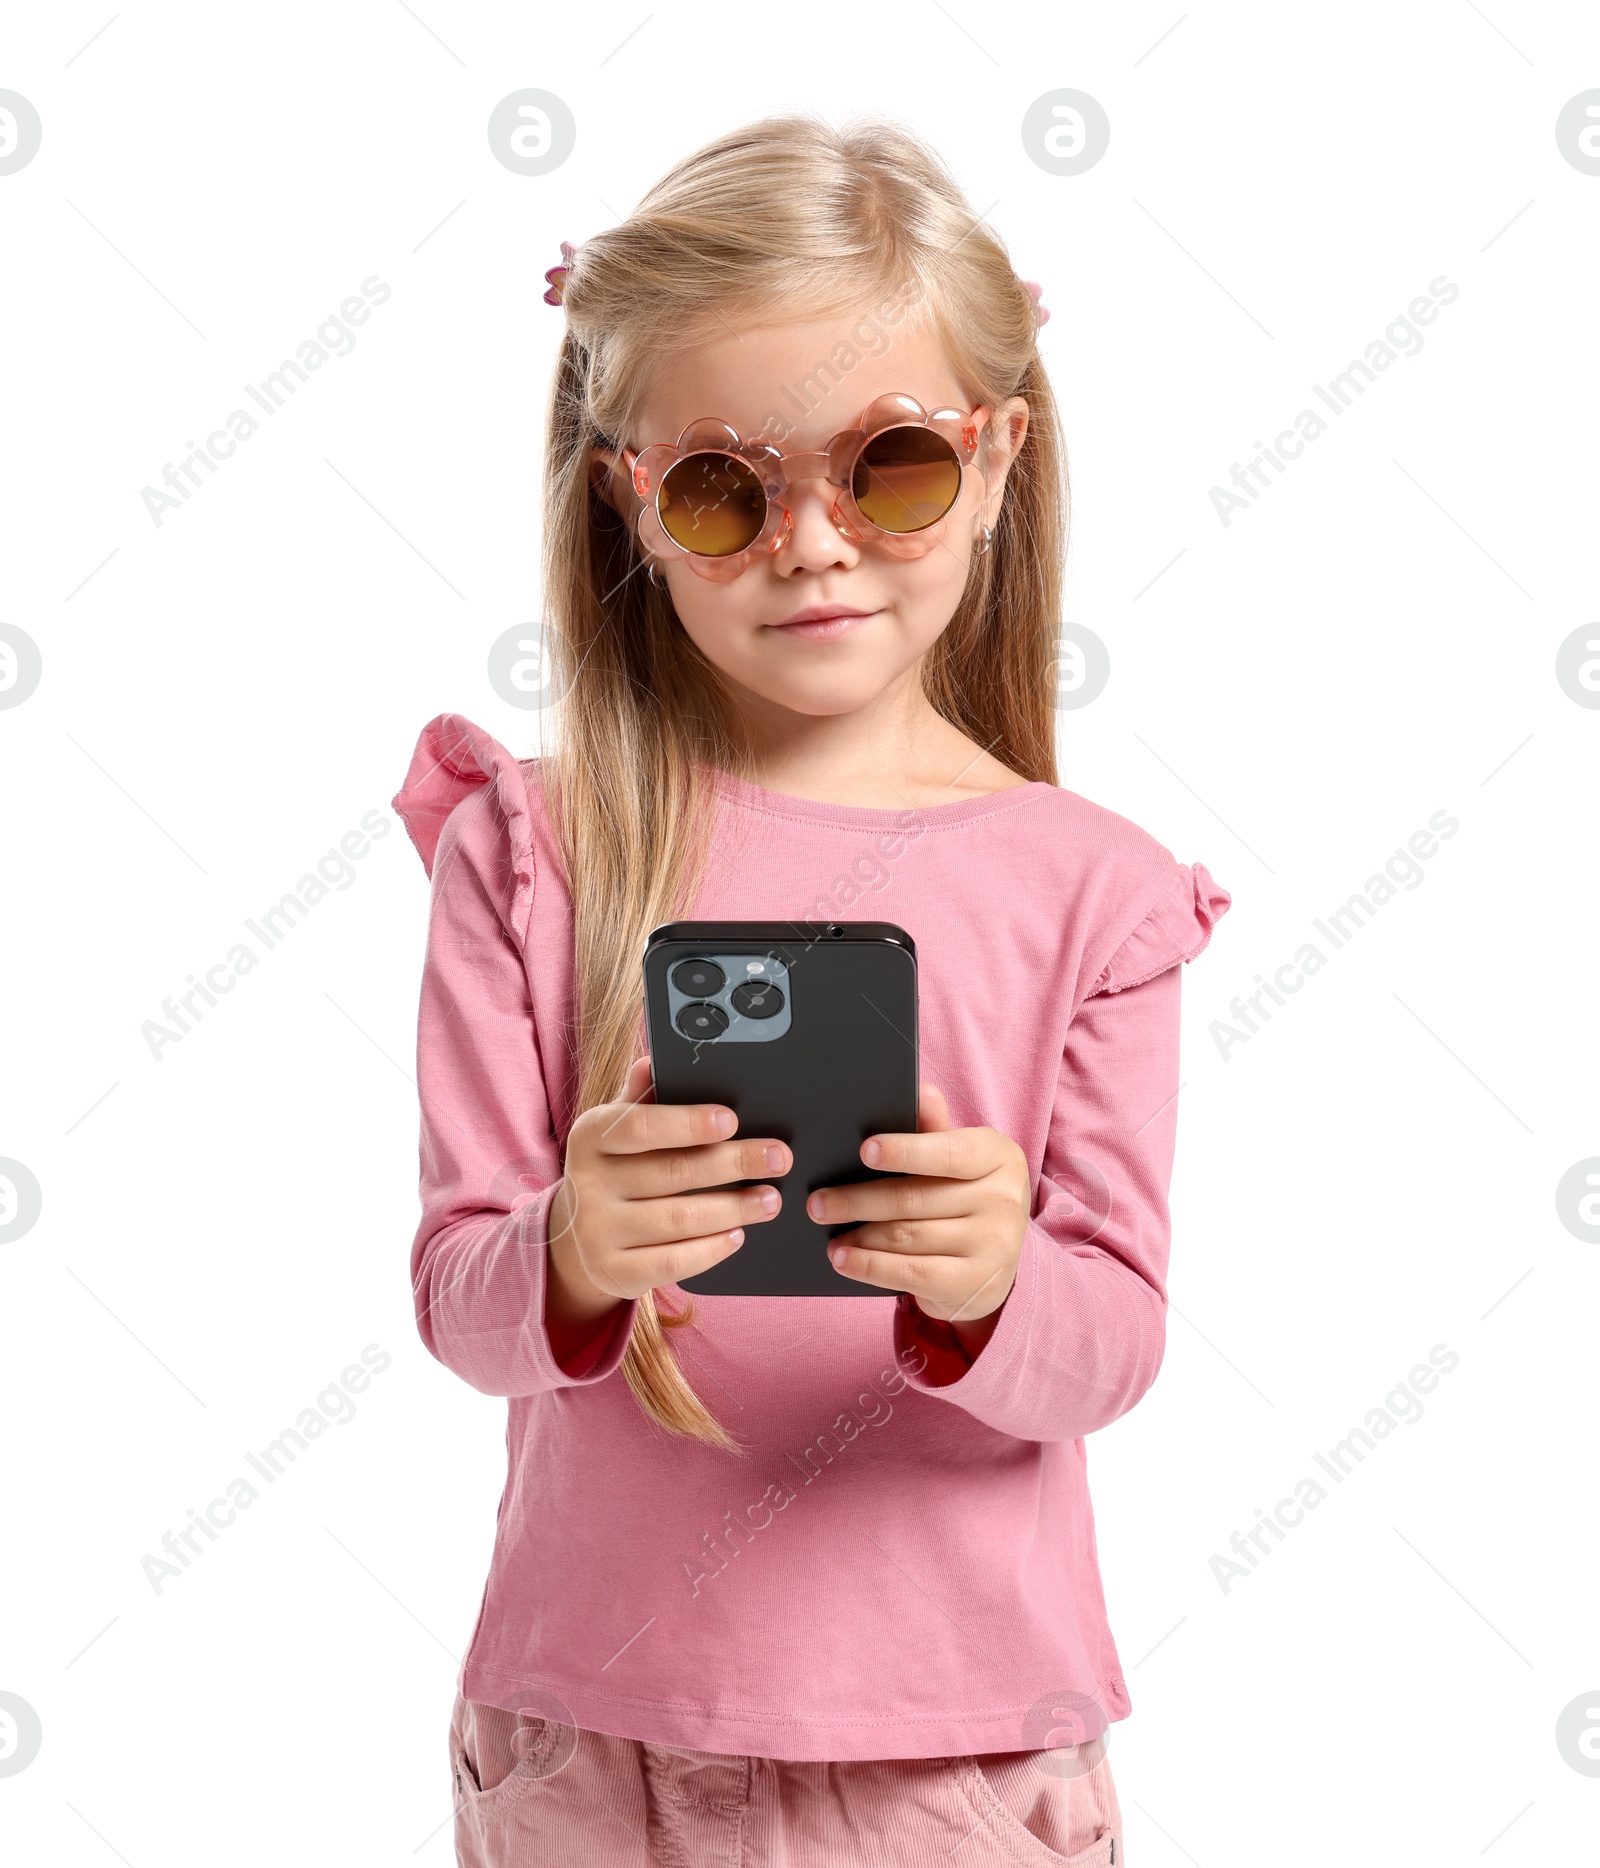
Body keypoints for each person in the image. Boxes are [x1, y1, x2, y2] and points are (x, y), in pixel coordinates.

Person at [391, 112, 1231, 1868]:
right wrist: (569, 1248)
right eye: (724, 484)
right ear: (631, 493)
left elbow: (1115, 1348)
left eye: (891, 466)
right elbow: (462, 1301)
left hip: (955, 1756)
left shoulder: (1096, 893)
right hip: (587, 1743)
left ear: (996, 459)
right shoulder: (535, 847)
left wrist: (997, 1282)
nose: (813, 542)